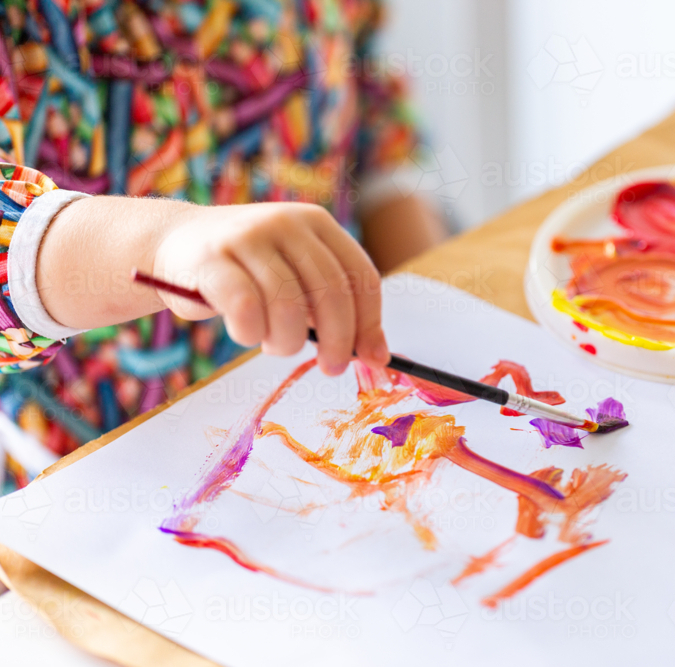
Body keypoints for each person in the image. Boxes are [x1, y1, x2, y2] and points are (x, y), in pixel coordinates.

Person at [0, 0, 447, 491]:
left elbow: (370, 103)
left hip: (337, 420)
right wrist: (160, 246)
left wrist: (437, 309)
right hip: (96, 478)